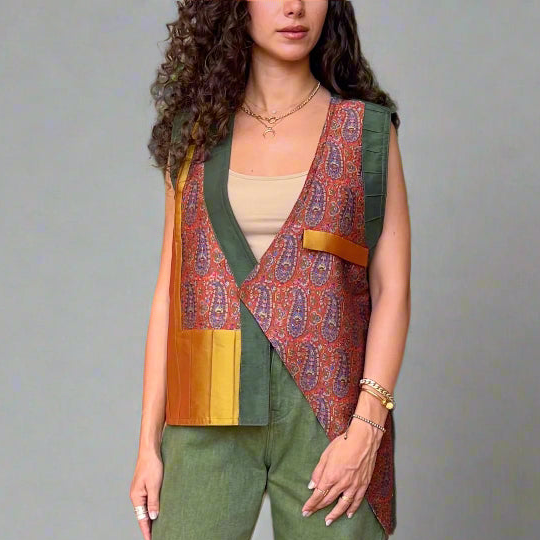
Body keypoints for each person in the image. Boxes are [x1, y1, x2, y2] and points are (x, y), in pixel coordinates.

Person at [129, 1, 410, 539]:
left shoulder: (366, 132)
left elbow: (391, 288)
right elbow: (170, 291)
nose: (294, 7)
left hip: (329, 413)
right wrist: (148, 445)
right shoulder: (194, 135)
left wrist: (367, 428)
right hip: (206, 399)